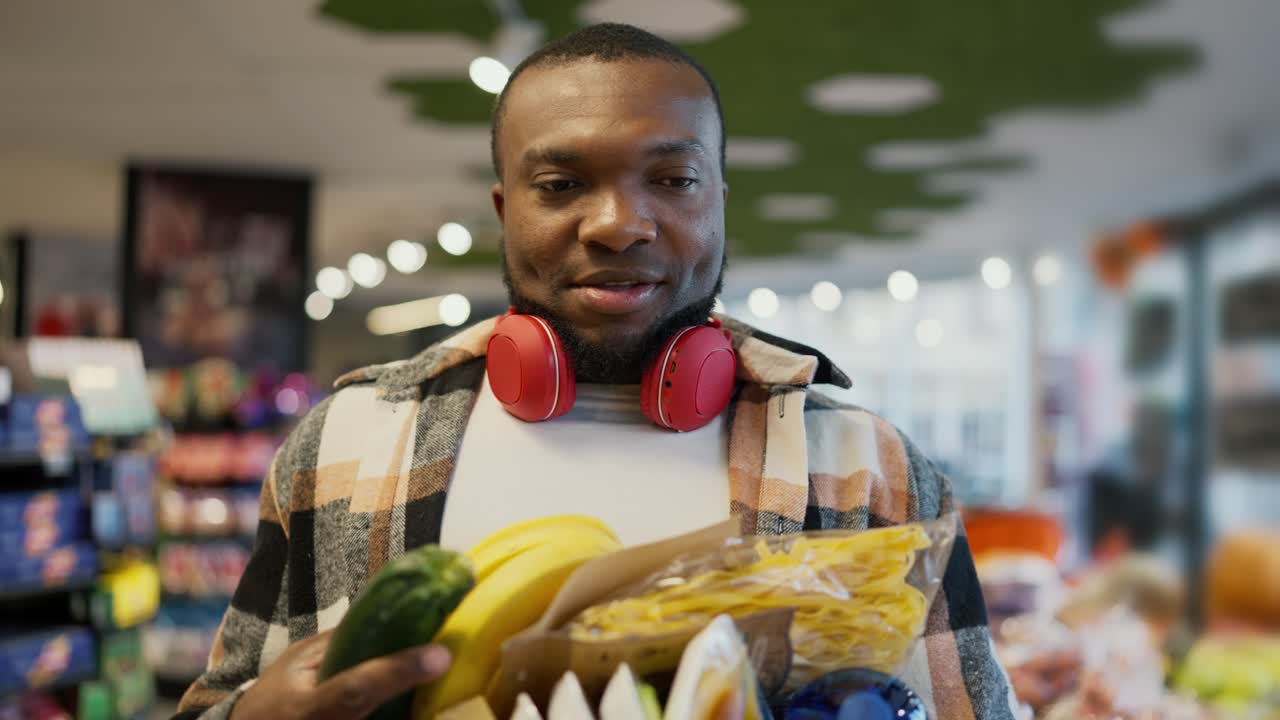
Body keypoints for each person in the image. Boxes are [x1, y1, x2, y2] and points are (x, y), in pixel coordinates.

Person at [176, 23, 1019, 720]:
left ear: (719, 199)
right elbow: (213, 702)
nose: (618, 224)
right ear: (506, 209)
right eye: (562, 182)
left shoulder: (874, 474)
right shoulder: (346, 449)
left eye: (672, 178)